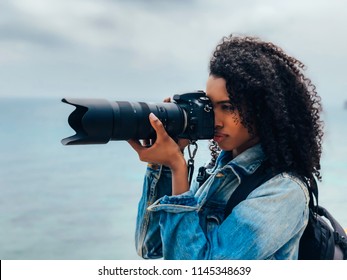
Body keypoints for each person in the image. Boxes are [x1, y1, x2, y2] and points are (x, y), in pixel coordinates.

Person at [128, 34, 324, 259]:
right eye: (211, 107)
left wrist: (178, 167)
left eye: (228, 107)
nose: (216, 121)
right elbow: (151, 248)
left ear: (263, 110)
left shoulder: (284, 192)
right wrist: (161, 165)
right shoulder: (220, 173)